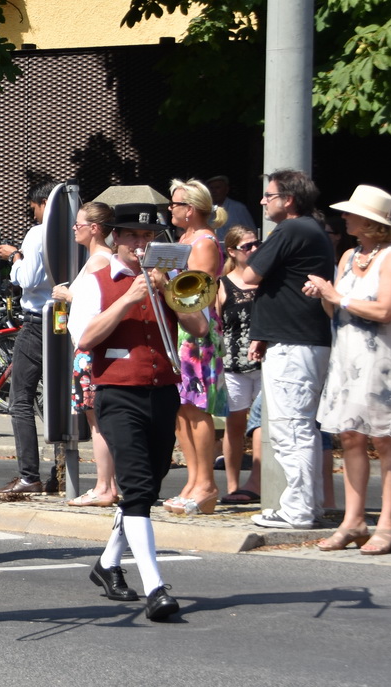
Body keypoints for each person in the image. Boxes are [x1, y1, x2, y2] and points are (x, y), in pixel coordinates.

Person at [68, 201, 207, 620]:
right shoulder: (97, 280)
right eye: (132, 236)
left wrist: (168, 291)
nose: (141, 245)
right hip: (117, 392)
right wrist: (128, 298)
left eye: (148, 237)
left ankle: (108, 563)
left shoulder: (167, 279)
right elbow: (85, 336)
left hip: (162, 389)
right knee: (139, 486)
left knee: (150, 480)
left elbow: (200, 330)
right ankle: (155, 587)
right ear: (115, 238)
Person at [307, 187, 391, 555]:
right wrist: (324, 295)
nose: (344, 219)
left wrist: (338, 297)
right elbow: (337, 312)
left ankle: (388, 524)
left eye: (351, 214)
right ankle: (354, 521)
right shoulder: (349, 255)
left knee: (384, 439)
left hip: (380, 362)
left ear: (370, 222)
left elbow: (385, 310)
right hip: (347, 358)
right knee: (349, 436)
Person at [230, 170, 334, 529]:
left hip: (296, 344)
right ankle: (308, 504)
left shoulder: (291, 229)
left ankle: (299, 509)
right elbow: (284, 287)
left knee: (291, 428)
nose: (263, 200)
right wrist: (263, 333)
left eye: (269, 195)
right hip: (295, 339)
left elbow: (249, 276)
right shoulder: (309, 229)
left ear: (288, 199)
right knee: (299, 426)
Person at [163, 179, 226, 515]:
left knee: (196, 406)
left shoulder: (203, 242)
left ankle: (205, 484)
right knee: (181, 407)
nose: (170, 209)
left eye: (175, 204)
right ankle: (193, 480)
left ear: (190, 209)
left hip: (197, 332)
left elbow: (197, 292)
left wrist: (165, 280)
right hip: (179, 329)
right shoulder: (183, 239)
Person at [52, 200, 120, 507]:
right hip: (87, 347)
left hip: (90, 349)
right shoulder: (97, 258)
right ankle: (108, 484)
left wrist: (67, 295)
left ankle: (105, 486)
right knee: (97, 420)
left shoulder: (99, 260)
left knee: (98, 422)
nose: (74, 229)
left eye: (79, 224)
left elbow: (99, 300)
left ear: (94, 228)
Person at [0, 184, 54, 493]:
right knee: (59, 399)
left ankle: (29, 475)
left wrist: (15, 257)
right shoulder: (75, 232)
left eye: (33, 207)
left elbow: (28, 279)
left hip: (37, 320)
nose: (33, 212)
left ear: (44, 203)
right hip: (63, 319)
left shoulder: (37, 233)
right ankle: (59, 470)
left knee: (20, 400)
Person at [216, 226, 263, 504]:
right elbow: (217, 325)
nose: (254, 250)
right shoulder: (223, 285)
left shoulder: (265, 280)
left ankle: (257, 482)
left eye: (257, 244)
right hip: (233, 364)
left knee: (261, 427)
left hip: (265, 364)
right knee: (235, 425)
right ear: (232, 251)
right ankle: (234, 485)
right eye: (247, 246)